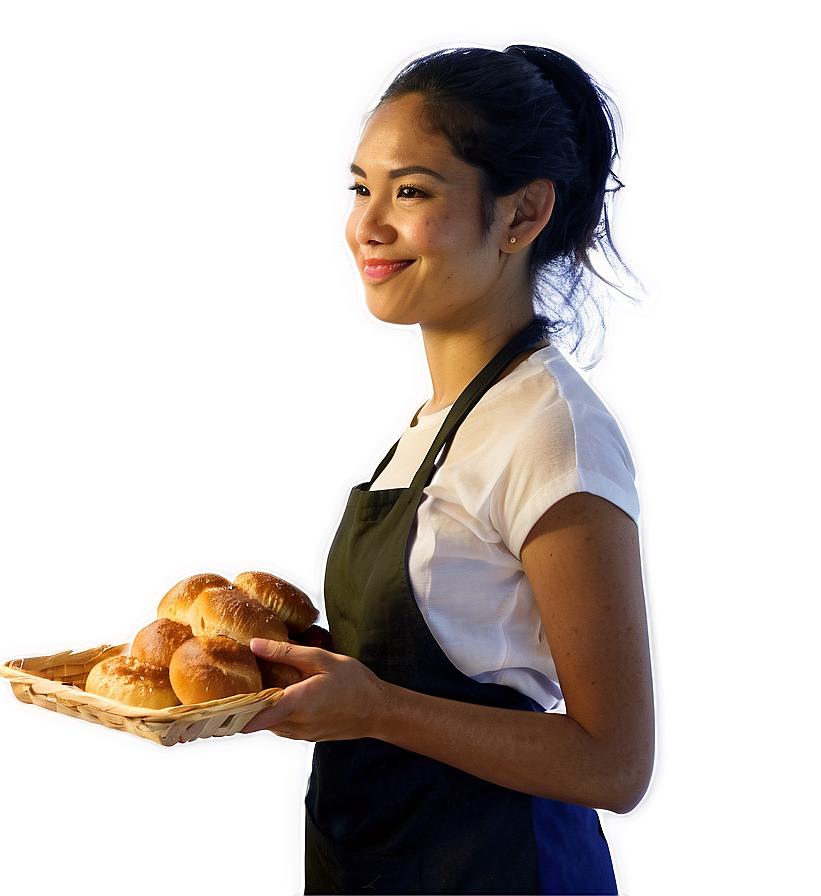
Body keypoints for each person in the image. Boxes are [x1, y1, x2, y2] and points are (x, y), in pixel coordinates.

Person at [241, 44, 655, 895]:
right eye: (361, 188)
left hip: (501, 872)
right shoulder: (435, 423)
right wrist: (304, 667)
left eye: (413, 192)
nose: (368, 225)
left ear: (522, 213)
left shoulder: (551, 430)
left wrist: (379, 708)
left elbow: (615, 763)